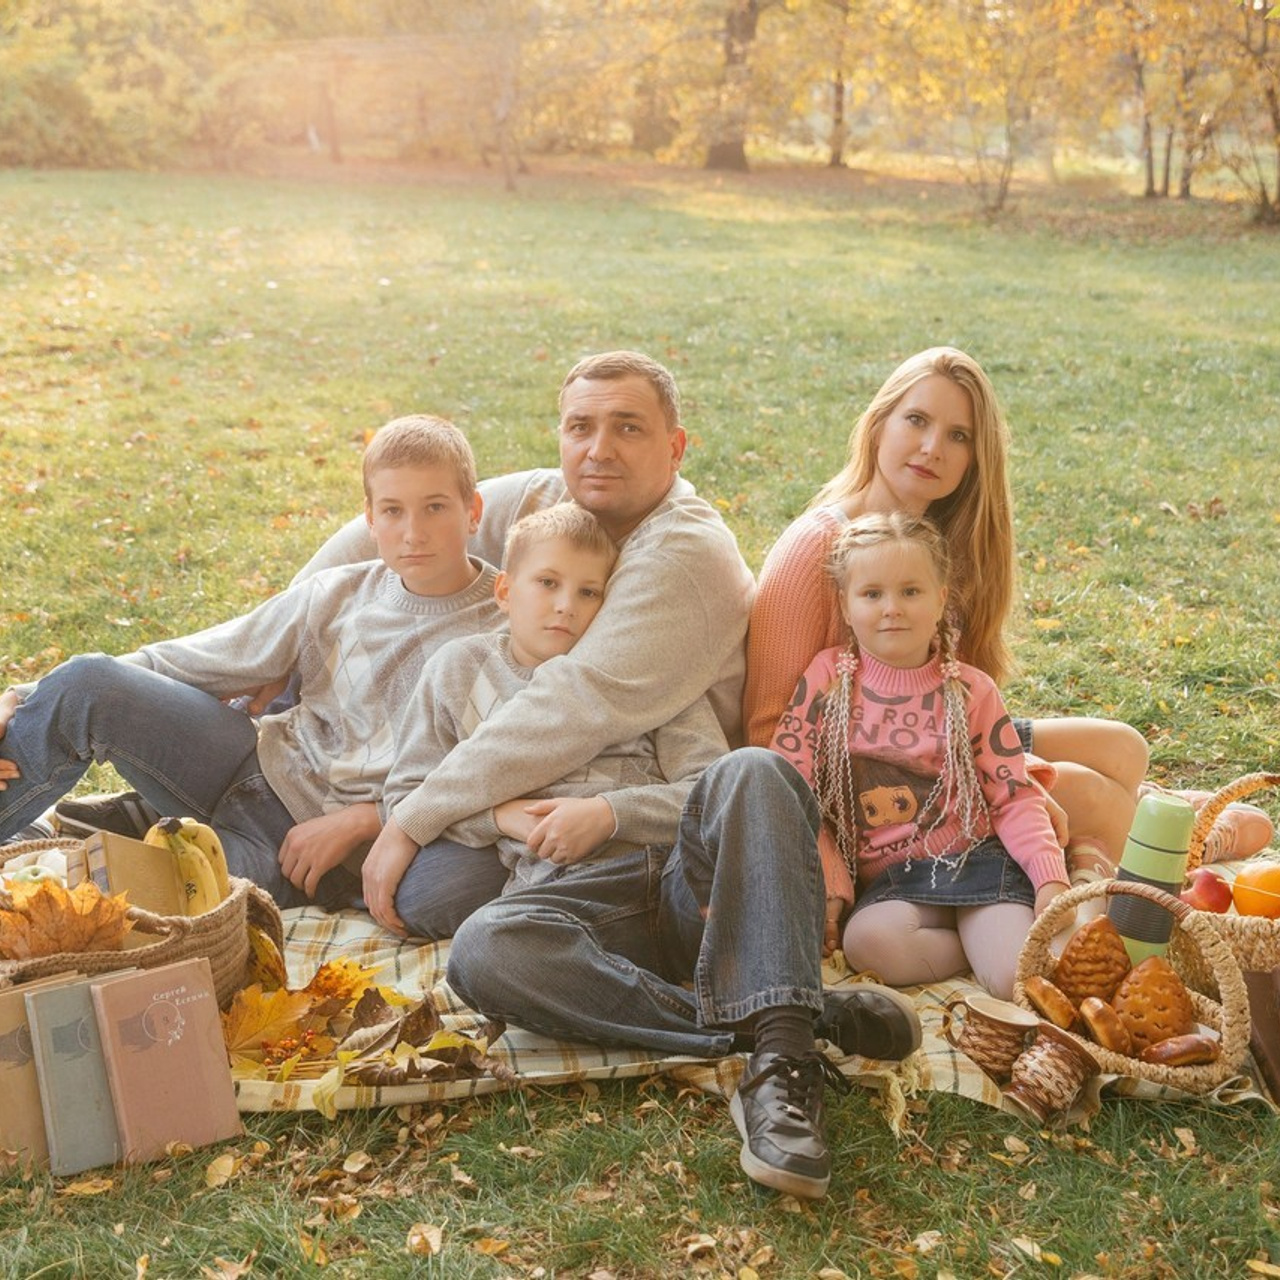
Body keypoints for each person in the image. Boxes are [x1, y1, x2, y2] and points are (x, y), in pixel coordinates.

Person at [743, 347, 1272, 868]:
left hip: (941, 732)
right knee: (1087, 790)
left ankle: (1138, 814)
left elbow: (965, 689)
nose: (932, 448)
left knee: (1124, 748)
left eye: (959, 436)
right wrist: (1017, 781)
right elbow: (767, 733)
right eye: (916, 420)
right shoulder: (816, 547)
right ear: (879, 424)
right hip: (880, 781)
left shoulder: (947, 542)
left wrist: (1011, 767)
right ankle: (1178, 851)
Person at [0, 415, 504, 911]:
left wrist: (369, 817)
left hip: (304, 848)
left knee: (129, 907)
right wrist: (25, 696)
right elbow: (202, 657)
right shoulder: (337, 593)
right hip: (251, 766)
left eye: (435, 507)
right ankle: (20, 829)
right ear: (370, 519)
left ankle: (142, 836)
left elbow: (490, 771)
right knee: (89, 680)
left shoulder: (509, 627)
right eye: (393, 510)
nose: (413, 532)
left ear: (473, 510)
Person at [371, 504, 730, 936]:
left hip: (654, 869)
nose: (565, 606)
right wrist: (500, 817)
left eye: (589, 593)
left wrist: (610, 813)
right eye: (547, 583)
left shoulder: (643, 669)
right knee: (469, 934)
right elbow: (408, 796)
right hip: (541, 885)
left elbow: (710, 794)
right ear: (504, 591)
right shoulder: (457, 670)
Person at [769, 512, 1069, 1000]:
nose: (892, 609)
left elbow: (1013, 795)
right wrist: (829, 878)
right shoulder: (827, 680)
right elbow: (789, 783)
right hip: (894, 882)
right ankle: (969, 947)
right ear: (845, 605)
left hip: (975, 858)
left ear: (941, 600)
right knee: (866, 943)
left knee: (1013, 979)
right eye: (872, 594)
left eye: (911, 592)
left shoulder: (970, 689)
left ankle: (993, 940)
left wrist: (1048, 878)